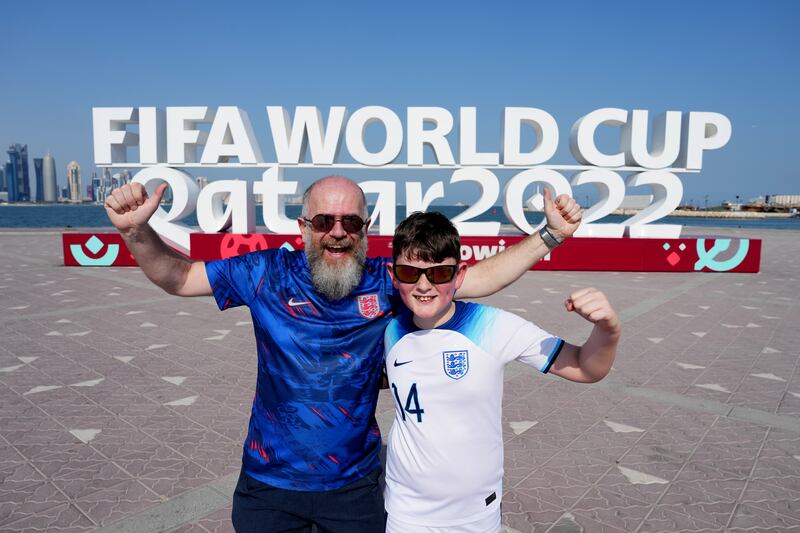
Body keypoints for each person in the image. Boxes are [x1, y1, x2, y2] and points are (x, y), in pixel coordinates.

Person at [103, 175, 582, 533]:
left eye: (350, 221)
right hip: (270, 486)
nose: (337, 231)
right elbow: (180, 277)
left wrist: (550, 236)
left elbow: (473, 278)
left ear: (366, 227)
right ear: (303, 226)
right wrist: (136, 234)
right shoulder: (265, 273)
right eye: (324, 221)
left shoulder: (387, 280)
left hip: (353, 490)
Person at [384, 211, 620, 533]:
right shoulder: (389, 327)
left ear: (459, 274)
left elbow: (585, 367)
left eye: (440, 273)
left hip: (474, 517)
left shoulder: (494, 326)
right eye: (410, 272)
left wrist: (608, 330)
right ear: (393, 275)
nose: (424, 285)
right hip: (404, 512)